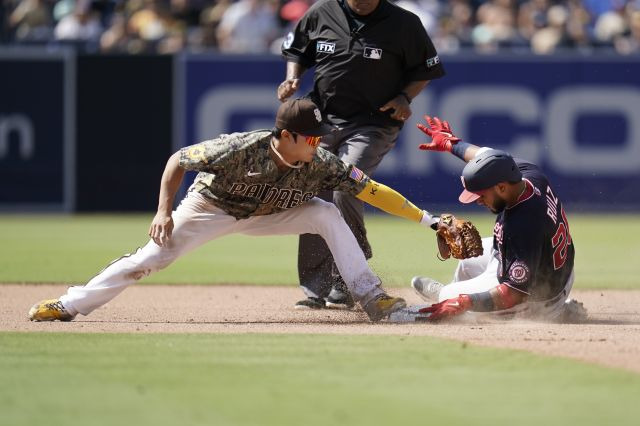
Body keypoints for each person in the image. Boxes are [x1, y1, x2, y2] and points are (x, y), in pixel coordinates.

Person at [28, 98, 439, 323]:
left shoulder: (323, 162)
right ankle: (71, 304)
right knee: (151, 258)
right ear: (285, 135)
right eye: (311, 138)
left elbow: (372, 191)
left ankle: (373, 299)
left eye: (320, 137)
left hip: (274, 212)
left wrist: (429, 220)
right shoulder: (240, 147)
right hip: (211, 208)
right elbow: (178, 160)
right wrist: (163, 211)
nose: (319, 144)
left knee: (326, 214)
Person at [279, 0, 446, 310]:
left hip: (374, 122)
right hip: (323, 120)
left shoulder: (403, 23)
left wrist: (405, 96)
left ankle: (348, 277)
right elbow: (296, 50)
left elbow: (426, 68)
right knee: (315, 193)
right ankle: (316, 288)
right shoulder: (321, 12)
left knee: (347, 179)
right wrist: (293, 76)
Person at [407, 116, 585, 322]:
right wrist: (451, 144)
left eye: (481, 195)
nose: (478, 201)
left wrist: (464, 302)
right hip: (550, 263)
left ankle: (557, 313)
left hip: (539, 297)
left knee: (452, 299)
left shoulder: (523, 223)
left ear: (501, 187)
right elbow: (486, 156)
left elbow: (513, 294)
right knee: (467, 263)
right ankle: (451, 295)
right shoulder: (526, 174)